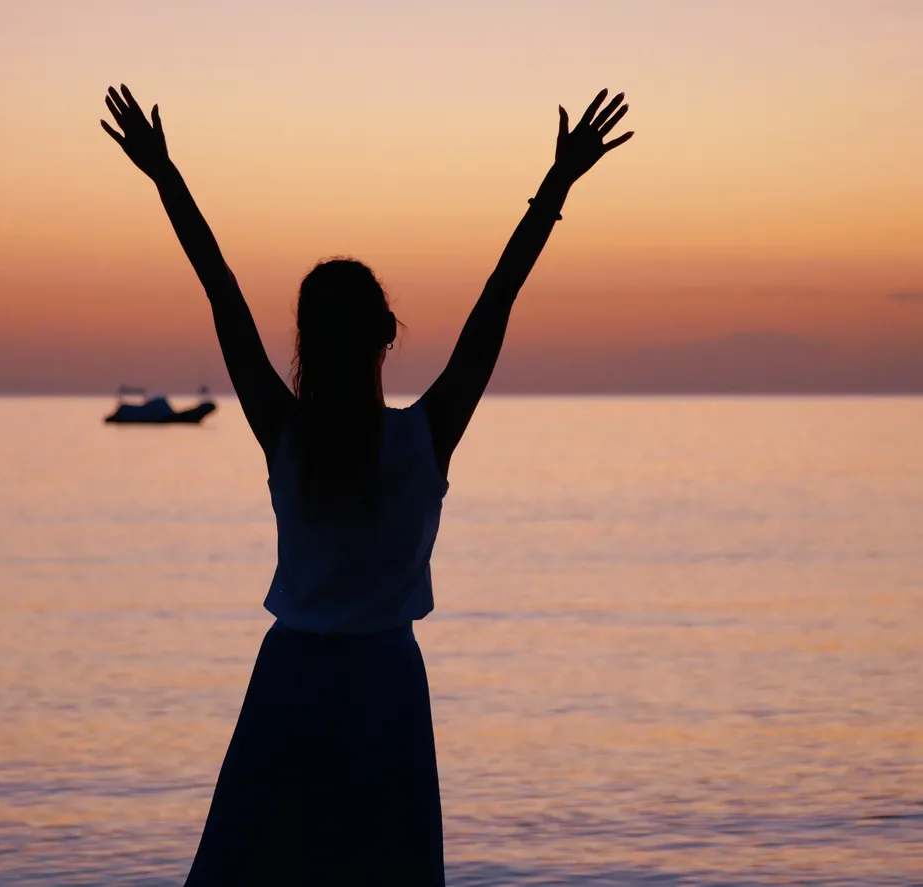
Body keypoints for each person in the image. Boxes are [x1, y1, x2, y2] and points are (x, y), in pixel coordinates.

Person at [101, 84, 632, 886]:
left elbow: (221, 288)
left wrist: (163, 175)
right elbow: (498, 299)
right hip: (385, 685)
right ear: (387, 333)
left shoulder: (285, 432)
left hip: (289, 684)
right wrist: (556, 185)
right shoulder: (425, 434)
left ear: (306, 343)